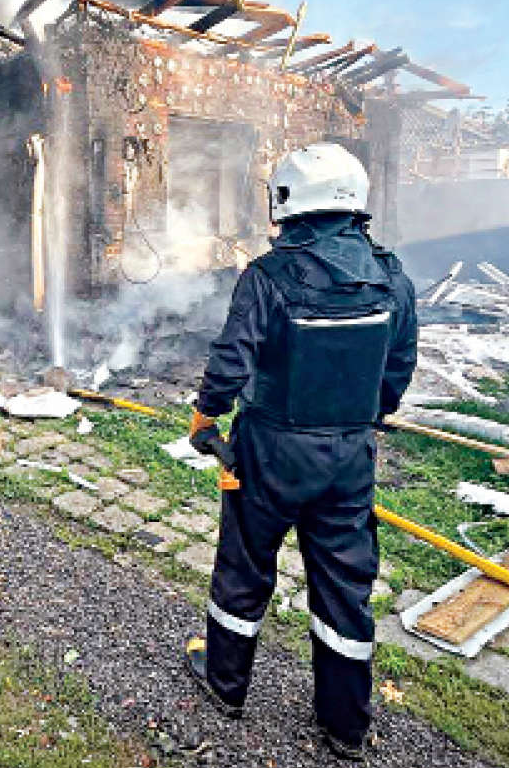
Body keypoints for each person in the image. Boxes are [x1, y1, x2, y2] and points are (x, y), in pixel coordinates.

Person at [183, 142, 417, 761]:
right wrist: (365, 421)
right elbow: (399, 367)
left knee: (245, 566)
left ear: (287, 202)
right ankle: (345, 725)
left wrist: (206, 419)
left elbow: (230, 362)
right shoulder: (392, 277)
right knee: (344, 583)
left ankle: (225, 684)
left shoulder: (268, 276)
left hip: (271, 451)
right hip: (350, 455)